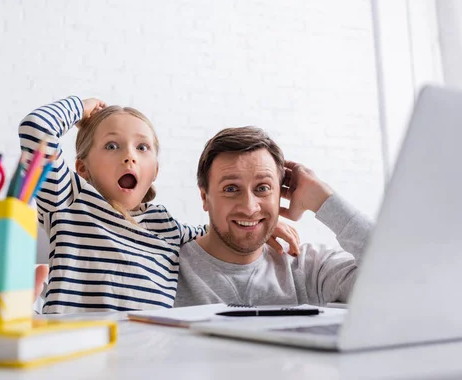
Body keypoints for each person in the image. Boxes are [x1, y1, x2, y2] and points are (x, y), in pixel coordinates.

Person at [20, 97, 300, 313]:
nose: (129, 157)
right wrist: (81, 107)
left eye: (142, 148)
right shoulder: (69, 201)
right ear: (83, 167)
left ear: (154, 171)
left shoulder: (166, 227)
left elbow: (221, 230)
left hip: (149, 358)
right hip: (74, 352)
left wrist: (258, 223)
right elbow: (36, 130)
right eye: (111, 146)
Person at [174, 126, 374, 307]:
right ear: (204, 197)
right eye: (231, 188)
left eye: (262, 188)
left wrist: (324, 200)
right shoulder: (165, 267)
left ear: (280, 194)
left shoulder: (309, 268)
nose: (250, 208)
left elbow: (398, 278)